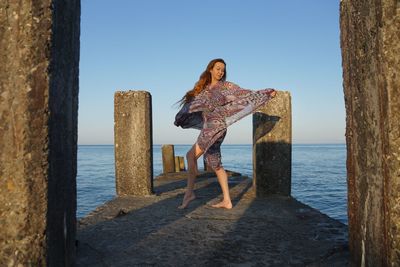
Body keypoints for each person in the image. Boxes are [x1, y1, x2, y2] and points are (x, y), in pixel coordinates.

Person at [174, 58, 277, 209]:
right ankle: (227, 201)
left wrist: (266, 93)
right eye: (218, 68)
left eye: (223, 70)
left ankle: (189, 194)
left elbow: (244, 93)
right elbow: (195, 104)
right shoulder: (204, 88)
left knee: (191, 156)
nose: (221, 72)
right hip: (210, 127)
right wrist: (182, 115)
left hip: (216, 127)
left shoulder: (227, 87)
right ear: (210, 69)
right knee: (215, 164)